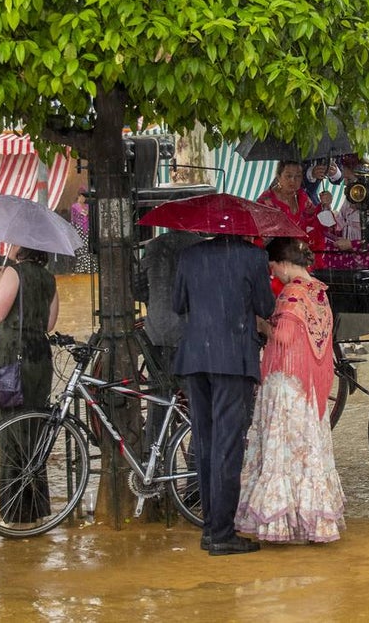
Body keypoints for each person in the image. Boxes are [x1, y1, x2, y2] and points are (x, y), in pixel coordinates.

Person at [235, 237, 345, 544]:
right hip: (310, 387)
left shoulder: (293, 292)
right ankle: (312, 520)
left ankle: (283, 520)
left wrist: (260, 324)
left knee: (282, 451)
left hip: (287, 383)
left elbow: (282, 335)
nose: (273, 275)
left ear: (283, 263)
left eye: (273, 268)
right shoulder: (319, 291)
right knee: (309, 449)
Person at [173, 233, 275, 555]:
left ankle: (209, 528)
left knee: (204, 443)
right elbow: (266, 306)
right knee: (228, 447)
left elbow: (178, 305)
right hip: (232, 359)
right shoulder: (253, 256)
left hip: (196, 358)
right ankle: (222, 533)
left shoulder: (190, 255)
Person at [0, 245, 60, 522]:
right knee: (33, 431)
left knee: (10, 433)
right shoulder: (49, 278)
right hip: (39, 359)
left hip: (12, 358)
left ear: (22, 248)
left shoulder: (13, 274)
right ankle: (37, 509)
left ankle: (16, 513)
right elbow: (50, 323)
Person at [134, 229, 204, 450]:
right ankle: (195, 464)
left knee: (159, 397)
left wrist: (155, 302)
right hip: (189, 333)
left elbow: (137, 288)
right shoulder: (201, 248)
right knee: (198, 402)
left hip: (157, 332)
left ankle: (154, 456)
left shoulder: (153, 246)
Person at [257, 160, 329, 268]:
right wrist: (295, 245)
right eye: (288, 176)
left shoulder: (302, 196)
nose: (293, 180)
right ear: (278, 176)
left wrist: (325, 205)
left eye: (298, 176)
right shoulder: (266, 201)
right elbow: (264, 237)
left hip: (301, 257)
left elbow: (315, 220)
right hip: (277, 260)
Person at [69, 188, 96, 274]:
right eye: (83, 196)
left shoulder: (87, 206)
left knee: (88, 247)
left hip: (88, 229)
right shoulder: (75, 206)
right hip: (79, 229)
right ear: (79, 196)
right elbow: (75, 219)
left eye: (85, 197)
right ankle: (82, 267)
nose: (84, 199)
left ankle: (90, 267)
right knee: (81, 249)